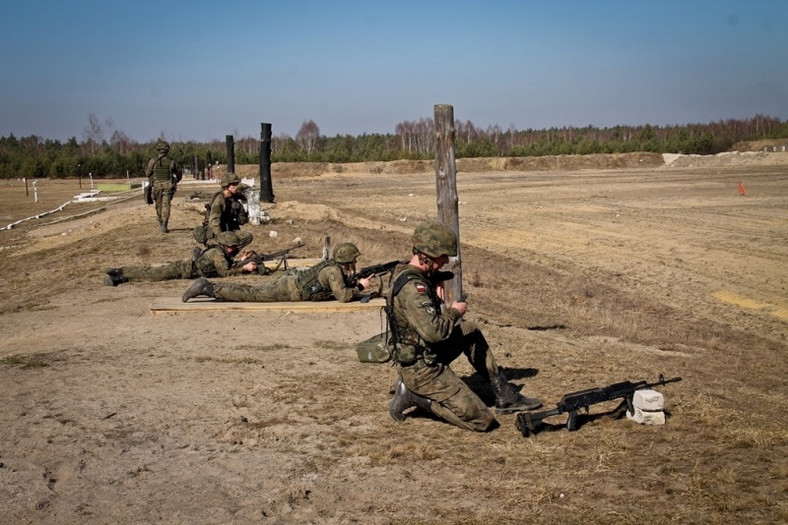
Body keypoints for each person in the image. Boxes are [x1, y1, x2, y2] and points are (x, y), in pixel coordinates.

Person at [386, 220, 542, 432]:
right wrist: (454, 311)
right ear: (428, 255)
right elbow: (434, 333)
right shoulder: (414, 289)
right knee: (483, 420)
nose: (445, 262)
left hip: (425, 354)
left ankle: (504, 395)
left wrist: (434, 281)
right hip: (422, 369)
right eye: (442, 257)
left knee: (470, 331)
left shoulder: (406, 272)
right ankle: (417, 397)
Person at [181, 242, 375, 303]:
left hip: (291, 282)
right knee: (251, 295)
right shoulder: (334, 270)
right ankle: (208, 287)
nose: (356, 262)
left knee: (251, 291)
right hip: (290, 289)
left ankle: (210, 287)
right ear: (346, 259)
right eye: (354, 259)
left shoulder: (334, 266)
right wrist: (359, 286)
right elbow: (342, 296)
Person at [103, 231, 257, 286]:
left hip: (186, 269)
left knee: (153, 275)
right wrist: (244, 268)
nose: (234, 248)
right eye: (232, 246)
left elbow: (226, 266)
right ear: (225, 245)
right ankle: (120, 272)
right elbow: (226, 273)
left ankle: (121, 278)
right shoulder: (219, 253)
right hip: (183, 269)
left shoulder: (221, 253)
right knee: (153, 274)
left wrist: (241, 260)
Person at [192, 172, 253, 247]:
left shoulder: (233, 199)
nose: (236, 187)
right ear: (226, 186)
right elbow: (214, 222)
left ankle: (229, 255)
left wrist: (244, 205)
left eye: (237, 184)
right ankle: (219, 251)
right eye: (233, 184)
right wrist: (221, 237)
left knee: (247, 236)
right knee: (227, 244)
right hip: (215, 234)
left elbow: (242, 221)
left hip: (228, 230)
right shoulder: (219, 200)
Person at [145, 140, 182, 233]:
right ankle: (164, 223)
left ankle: (161, 221)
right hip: (168, 186)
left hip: (157, 186)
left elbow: (147, 172)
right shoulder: (171, 161)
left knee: (158, 205)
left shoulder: (153, 160)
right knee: (166, 205)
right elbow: (179, 172)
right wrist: (177, 180)